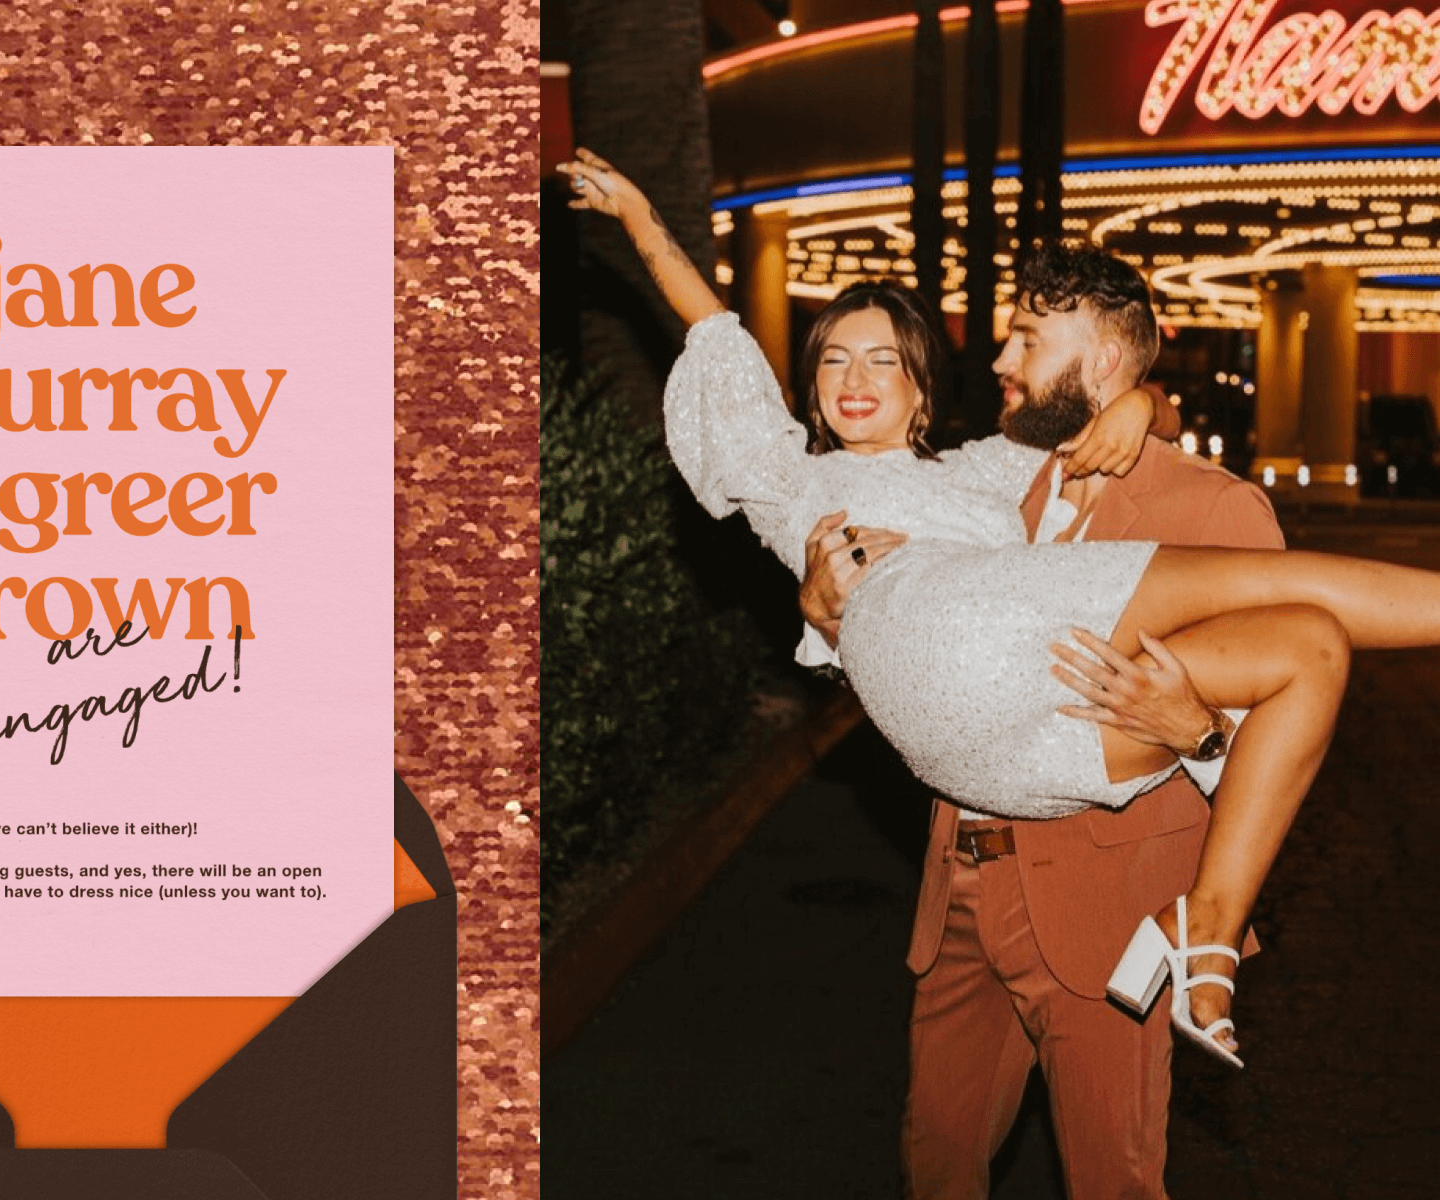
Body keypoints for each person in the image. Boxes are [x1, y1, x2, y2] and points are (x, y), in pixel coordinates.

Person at [557, 145, 1440, 1077]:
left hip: (1029, 745)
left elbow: (1090, 411)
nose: (855, 378)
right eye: (833, 361)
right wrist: (643, 222)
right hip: (939, 644)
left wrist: (1144, 399)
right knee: (1280, 582)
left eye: (884, 360)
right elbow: (718, 332)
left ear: (920, 387)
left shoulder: (986, 468)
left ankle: (1205, 928)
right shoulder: (792, 482)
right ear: (809, 387)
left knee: (1313, 646)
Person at [801, 241, 1279, 1197]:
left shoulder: (1217, 514)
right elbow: (927, 662)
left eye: (1026, 337)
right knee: (935, 1161)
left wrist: (1196, 731)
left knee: (1112, 1178)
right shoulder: (996, 490)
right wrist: (829, 618)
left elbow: (1283, 750)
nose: (1000, 360)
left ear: (1101, 361)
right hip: (964, 891)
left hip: (1106, 919)